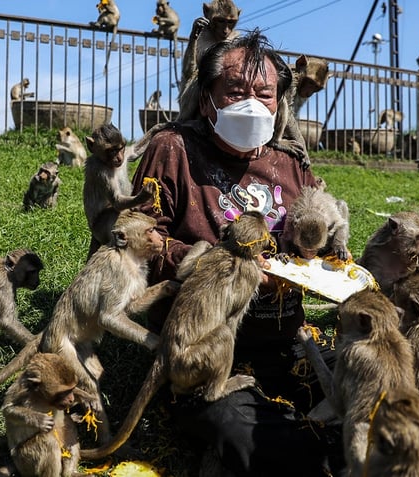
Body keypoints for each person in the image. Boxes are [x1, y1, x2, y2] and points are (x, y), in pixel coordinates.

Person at [131, 30, 344, 476]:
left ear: (279, 103)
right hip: (204, 346)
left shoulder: (291, 163)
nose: (251, 104)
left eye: (263, 94)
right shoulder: (173, 149)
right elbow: (137, 240)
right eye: (235, 91)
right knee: (260, 439)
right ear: (206, 98)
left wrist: (323, 263)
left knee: (387, 397)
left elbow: (317, 236)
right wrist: (225, 268)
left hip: (289, 341)